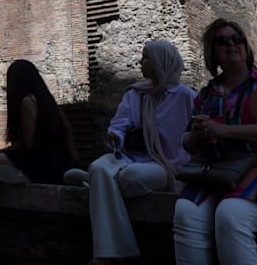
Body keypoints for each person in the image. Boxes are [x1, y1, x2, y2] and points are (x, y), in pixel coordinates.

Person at [172, 19, 257, 265]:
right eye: (222, 41)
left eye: (237, 38)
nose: (232, 44)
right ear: (213, 53)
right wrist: (199, 133)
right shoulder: (206, 94)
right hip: (218, 171)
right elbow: (188, 141)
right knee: (186, 211)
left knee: (232, 214)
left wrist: (224, 131)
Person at [67, 40, 195, 263]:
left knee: (128, 178)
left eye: (146, 57)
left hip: (164, 165)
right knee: (100, 166)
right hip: (128, 156)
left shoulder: (186, 97)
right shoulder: (135, 94)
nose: (140, 61)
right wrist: (116, 135)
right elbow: (119, 125)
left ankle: (94, 183)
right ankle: (111, 253)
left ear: (161, 62)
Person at [0, 59, 76, 260]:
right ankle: (19, 175)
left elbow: (26, 147)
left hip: (41, 163)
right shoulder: (44, 100)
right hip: (54, 161)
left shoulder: (27, 102)